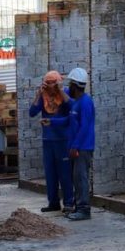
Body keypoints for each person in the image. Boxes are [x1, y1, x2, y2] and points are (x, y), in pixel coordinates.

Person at [29, 70, 73, 214]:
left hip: (63, 139)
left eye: (52, 83)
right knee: (50, 173)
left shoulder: (65, 93)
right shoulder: (44, 96)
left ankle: (68, 202)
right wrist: (38, 94)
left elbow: (71, 106)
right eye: (46, 83)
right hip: (48, 140)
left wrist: (60, 91)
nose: (49, 86)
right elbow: (32, 112)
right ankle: (53, 202)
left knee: (65, 173)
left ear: (58, 82)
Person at [66, 67, 95, 221]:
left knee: (81, 178)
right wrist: (52, 122)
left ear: (75, 85)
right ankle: (79, 207)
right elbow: (69, 122)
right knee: (77, 178)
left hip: (83, 148)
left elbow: (84, 127)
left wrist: (76, 146)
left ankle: (84, 209)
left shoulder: (85, 103)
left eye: (70, 84)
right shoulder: (76, 103)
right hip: (77, 147)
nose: (68, 87)